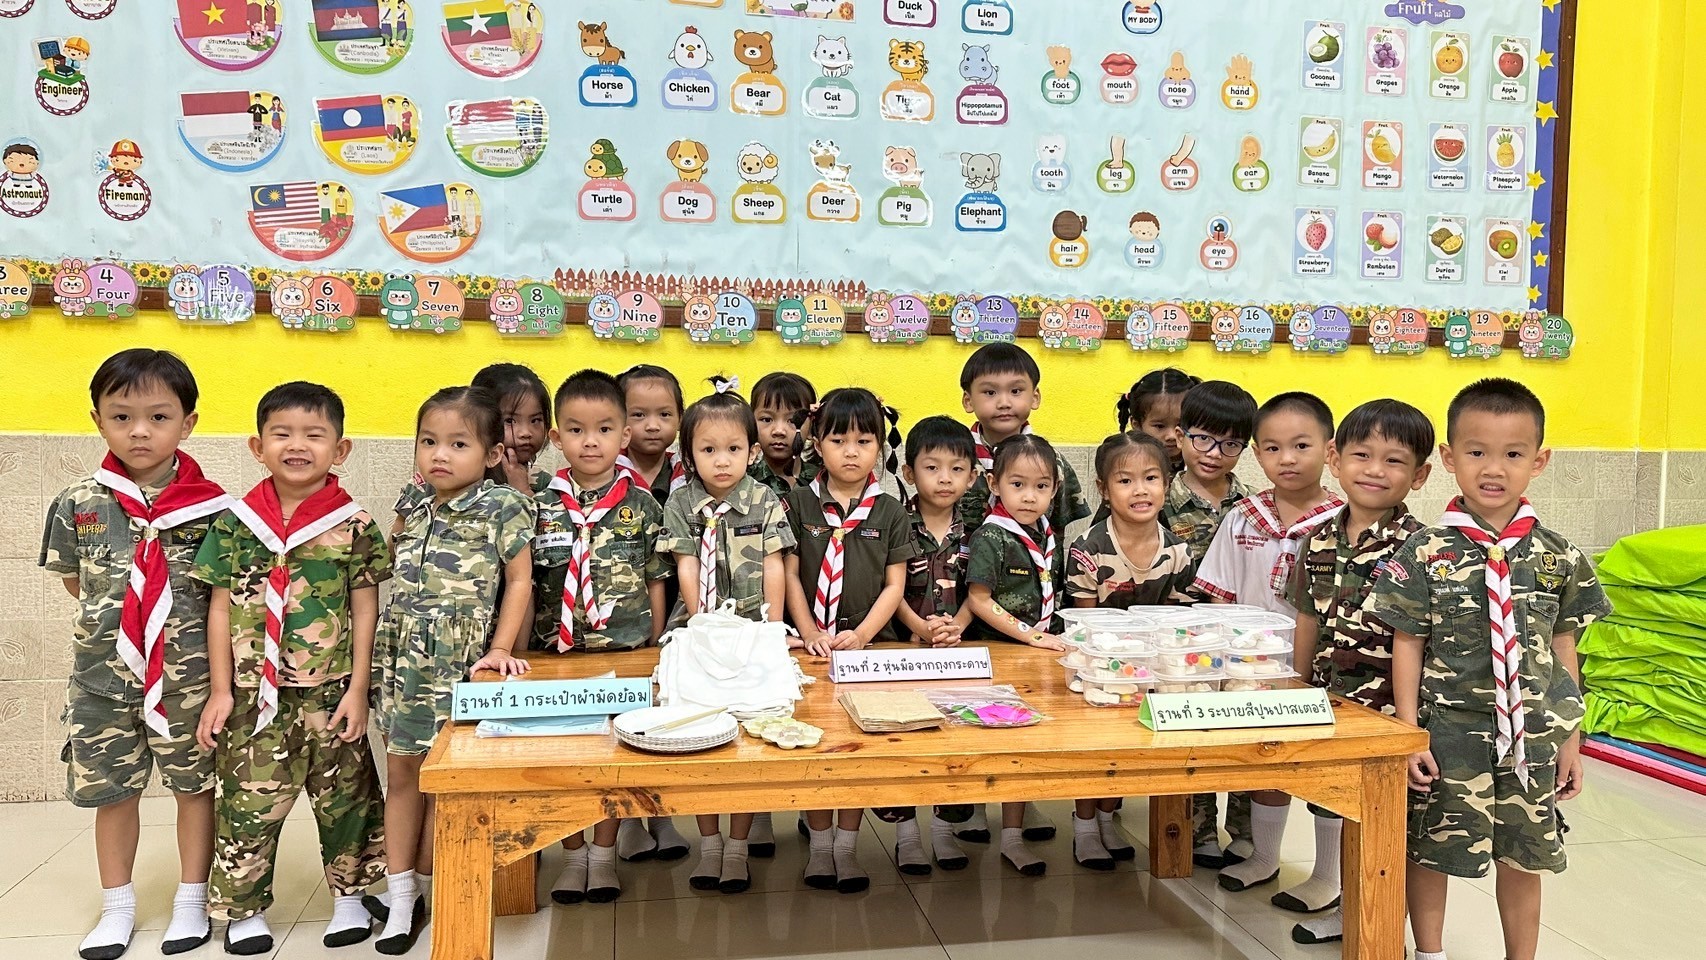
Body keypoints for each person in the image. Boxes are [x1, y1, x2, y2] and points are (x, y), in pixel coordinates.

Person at [1372, 379, 1611, 960]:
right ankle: (1429, 953)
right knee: (1432, 850)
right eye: (1476, 451)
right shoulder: (1425, 551)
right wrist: (1409, 733)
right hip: (1449, 733)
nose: (1494, 468)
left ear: (1539, 461)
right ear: (1449, 458)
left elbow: (1564, 648)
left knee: (1526, 856)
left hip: (1534, 735)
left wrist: (1572, 740)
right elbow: (1407, 642)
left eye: (1513, 453)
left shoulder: (1558, 556)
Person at [41, 349, 234, 960]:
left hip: (188, 681)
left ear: (188, 423)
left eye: (158, 416)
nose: (140, 431)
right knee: (113, 793)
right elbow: (76, 581)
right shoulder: (79, 501)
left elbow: (224, 598)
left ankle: (191, 901)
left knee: (194, 788)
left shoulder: (215, 511)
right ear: (97, 420)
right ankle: (117, 907)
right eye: (122, 417)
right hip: (102, 680)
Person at [191, 383, 388, 955]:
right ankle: (246, 910)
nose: (297, 445)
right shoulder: (236, 524)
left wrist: (358, 688)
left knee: (346, 800)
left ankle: (350, 899)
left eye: (313, 435)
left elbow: (365, 608)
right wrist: (221, 691)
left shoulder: (354, 524)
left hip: (330, 692)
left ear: (340, 450)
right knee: (247, 804)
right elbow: (219, 607)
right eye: (282, 434)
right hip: (254, 696)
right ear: (258, 447)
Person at [366, 387, 535, 953]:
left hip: (459, 659)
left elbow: (519, 580)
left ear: (492, 454)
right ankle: (399, 894)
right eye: (429, 442)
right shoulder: (414, 500)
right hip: (402, 655)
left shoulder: (503, 505)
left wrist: (501, 647)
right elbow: (390, 558)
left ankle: (432, 885)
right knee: (402, 775)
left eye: (458, 444)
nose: (440, 454)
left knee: (447, 781)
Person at [1275, 398, 1434, 945]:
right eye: (1362, 455)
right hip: (1329, 701)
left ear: (1419, 476)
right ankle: (1347, 906)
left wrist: (1414, 726)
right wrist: (1295, 686)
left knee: (1389, 821)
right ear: (1335, 459)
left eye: (1394, 461)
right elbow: (1306, 616)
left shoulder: (1424, 548)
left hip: (1394, 710)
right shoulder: (1316, 539)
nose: (1374, 470)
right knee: (1340, 807)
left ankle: (1383, 927)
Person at [1196, 392, 1344, 896]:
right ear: (1256, 454)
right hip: (1253, 668)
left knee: (1326, 768)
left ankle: (1327, 876)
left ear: (1329, 449)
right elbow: (1219, 595)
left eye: (1301, 445)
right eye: (1273, 448)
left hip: (1326, 668)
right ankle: (1263, 857)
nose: (1287, 459)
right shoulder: (1243, 517)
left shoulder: (1344, 521)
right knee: (1267, 758)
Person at [531, 370, 670, 903]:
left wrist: (655, 644)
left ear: (624, 436)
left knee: (615, 758)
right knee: (566, 759)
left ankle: (605, 856)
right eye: (576, 430)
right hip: (556, 655)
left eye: (604, 429)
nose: (591, 441)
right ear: (556, 437)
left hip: (627, 652)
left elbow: (656, 580)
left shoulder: (644, 506)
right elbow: (526, 582)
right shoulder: (539, 504)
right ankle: (573, 857)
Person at [658, 376, 795, 894]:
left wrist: (773, 628)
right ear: (689, 455)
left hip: (754, 631)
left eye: (734, 449)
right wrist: (701, 624)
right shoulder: (681, 502)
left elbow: (776, 564)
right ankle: (710, 844)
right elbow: (686, 564)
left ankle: (737, 847)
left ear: (752, 452)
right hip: (699, 632)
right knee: (702, 739)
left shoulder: (764, 499)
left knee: (749, 739)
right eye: (709, 450)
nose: (722, 461)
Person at [782, 387, 914, 893]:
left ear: (880, 445)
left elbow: (895, 585)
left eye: (864, 441)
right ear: (817, 444)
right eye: (839, 440)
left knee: (857, 746)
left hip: (866, 648)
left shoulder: (890, 510)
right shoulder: (797, 502)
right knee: (817, 746)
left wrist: (860, 634)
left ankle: (846, 847)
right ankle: (820, 846)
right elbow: (788, 573)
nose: (852, 452)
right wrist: (809, 631)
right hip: (810, 647)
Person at [955, 343, 1087, 844]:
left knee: (1027, 710)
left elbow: (1059, 530)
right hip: (966, 602)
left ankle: (1020, 800)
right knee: (973, 712)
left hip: (1032, 602)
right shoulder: (956, 455)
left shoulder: (1051, 461)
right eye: (990, 392)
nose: (1004, 402)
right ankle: (968, 806)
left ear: (1035, 397)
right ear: (968, 400)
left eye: (1016, 390)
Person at [1065, 432, 1196, 869]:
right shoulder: (1088, 549)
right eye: (1125, 481)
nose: (1140, 490)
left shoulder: (1177, 550)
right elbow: (1083, 625)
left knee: (1127, 751)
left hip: (1151, 671)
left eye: (1151, 478)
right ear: (1104, 489)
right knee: (1096, 748)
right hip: (1099, 671)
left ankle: (1107, 820)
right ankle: (1085, 826)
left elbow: (1178, 622)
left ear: (1167, 483)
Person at [963, 433, 1075, 877]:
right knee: (990, 744)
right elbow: (978, 600)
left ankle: (1012, 836)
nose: (1030, 496)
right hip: (999, 656)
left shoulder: (1046, 533)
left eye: (1041, 486)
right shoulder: (992, 535)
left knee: (1023, 749)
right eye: (1018, 485)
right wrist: (1030, 636)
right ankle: (967, 818)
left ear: (1055, 488)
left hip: (1037, 655)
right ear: (994, 484)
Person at [876, 415, 980, 875]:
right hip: (902, 649)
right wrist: (920, 627)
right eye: (932, 467)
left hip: (956, 652)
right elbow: (890, 587)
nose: (944, 478)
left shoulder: (978, 528)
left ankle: (943, 829)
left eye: (957, 469)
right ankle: (906, 835)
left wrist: (955, 627)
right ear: (908, 471)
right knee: (904, 742)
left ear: (972, 477)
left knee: (952, 741)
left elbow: (981, 588)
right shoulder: (894, 521)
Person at [1165, 380, 1257, 867]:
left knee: (1243, 733)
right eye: (1202, 439)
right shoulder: (1157, 496)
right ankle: (1197, 829)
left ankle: (1246, 831)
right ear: (1180, 436)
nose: (1214, 453)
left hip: (1240, 640)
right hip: (1180, 639)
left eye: (1230, 444)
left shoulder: (1254, 506)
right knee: (1193, 734)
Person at [610, 363, 691, 862]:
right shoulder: (603, 475)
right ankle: (625, 822)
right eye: (638, 415)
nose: (652, 426)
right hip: (620, 617)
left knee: (666, 715)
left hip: (676, 613)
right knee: (620, 717)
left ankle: (661, 814)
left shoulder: (691, 474)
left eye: (664, 414)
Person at [393, 363, 554, 520]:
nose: (525, 433)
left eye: (535, 420)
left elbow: (546, 533)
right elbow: (397, 536)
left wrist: (523, 491)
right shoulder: (435, 480)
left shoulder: (542, 483)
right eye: (510, 421)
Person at [748, 371, 819, 498]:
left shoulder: (823, 481)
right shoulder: (743, 482)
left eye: (792, 420)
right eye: (767, 419)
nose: (779, 431)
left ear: (811, 426)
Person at [1116, 367, 1200, 473]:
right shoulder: (1121, 463)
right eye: (1159, 426)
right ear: (1137, 425)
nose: (1171, 436)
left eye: (1180, 424)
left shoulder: (1207, 462)